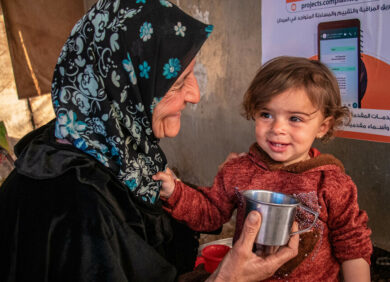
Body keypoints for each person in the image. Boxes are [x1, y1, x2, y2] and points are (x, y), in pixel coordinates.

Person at [0, 1, 298, 281]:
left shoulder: (110, 148)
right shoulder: (76, 206)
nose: (195, 95)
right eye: (179, 83)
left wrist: (215, 192)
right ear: (124, 88)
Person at [154, 56, 373, 281]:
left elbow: (353, 247)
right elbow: (210, 213)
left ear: (323, 127)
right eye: (266, 115)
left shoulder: (331, 182)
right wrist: (175, 192)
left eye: (295, 118)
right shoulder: (238, 170)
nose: (277, 128)